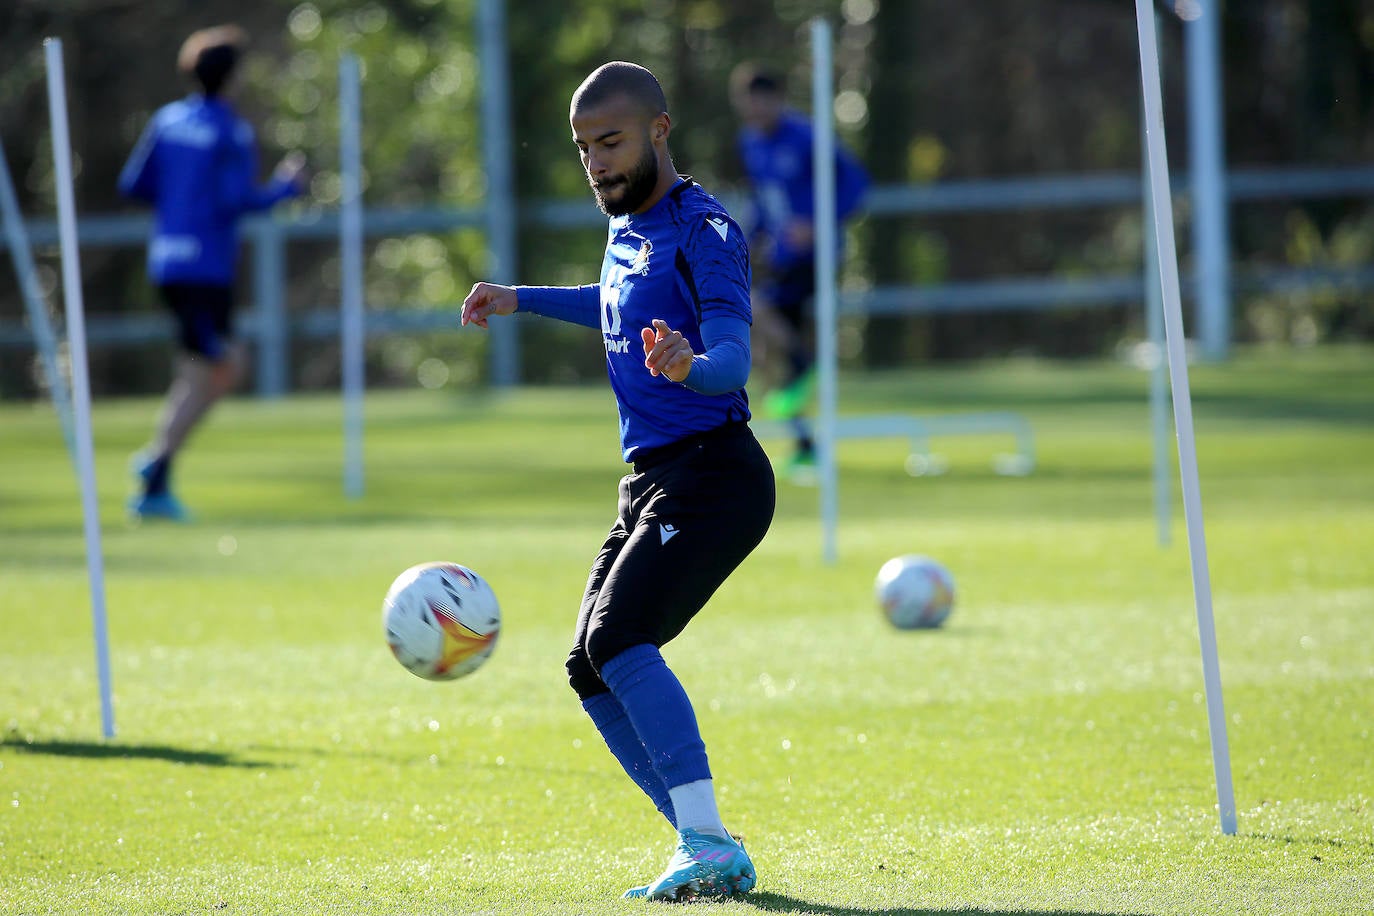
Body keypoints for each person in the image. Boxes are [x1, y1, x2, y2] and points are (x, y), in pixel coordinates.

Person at [461, 61, 775, 901]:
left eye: (612, 141)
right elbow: (608, 298)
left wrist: (691, 365)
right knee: (587, 665)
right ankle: (706, 844)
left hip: (716, 473)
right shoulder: (626, 223)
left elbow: (738, 361)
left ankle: (707, 841)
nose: (596, 161)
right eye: (583, 147)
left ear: (659, 131)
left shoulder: (704, 230)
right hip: (654, 477)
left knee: (620, 639)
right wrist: (517, 298)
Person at [118, 24, 306, 521]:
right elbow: (237, 200)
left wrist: (181, 203)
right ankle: (156, 468)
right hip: (207, 267)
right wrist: (285, 190)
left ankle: (157, 466)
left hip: (168, 262)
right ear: (232, 77)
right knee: (224, 367)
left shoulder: (167, 120)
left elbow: (135, 185)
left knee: (200, 370)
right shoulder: (231, 130)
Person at [729, 63, 868, 483]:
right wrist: (749, 237)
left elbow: (856, 184)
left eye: (762, 101)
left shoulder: (807, 137)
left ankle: (807, 363)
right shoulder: (750, 143)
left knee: (754, 310)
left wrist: (819, 223)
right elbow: (764, 198)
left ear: (777, 99)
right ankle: (805, 444)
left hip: (816, 256)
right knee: (768, 356)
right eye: (747, 103)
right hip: (782, 256)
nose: (755, 110)